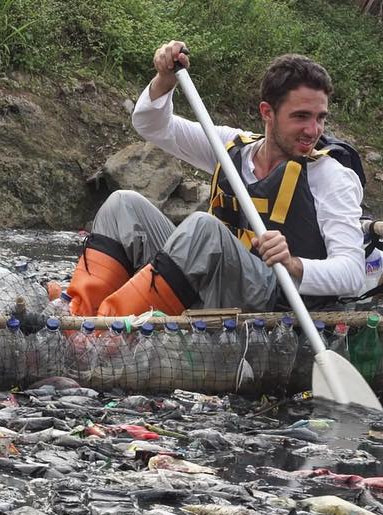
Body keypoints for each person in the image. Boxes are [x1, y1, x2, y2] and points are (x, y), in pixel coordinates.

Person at [50, 41, 365, 318]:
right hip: (210, 277)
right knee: (123, 205)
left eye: (320, 118)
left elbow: (352, 273)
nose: (313, 131)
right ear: (267, 112)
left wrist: (295, 264)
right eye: (301, 117)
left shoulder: (331, 176)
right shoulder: (229, 147)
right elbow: (152, 125)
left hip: (274, 299)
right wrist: (165, 80)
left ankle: (106, 335)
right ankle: (78, 314)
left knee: (204, 229)